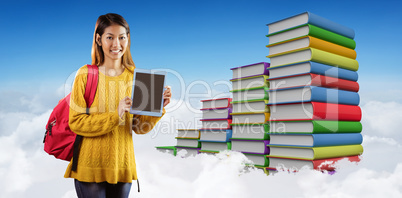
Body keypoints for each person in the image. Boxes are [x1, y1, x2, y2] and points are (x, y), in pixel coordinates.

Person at [64, 13, 171, 198]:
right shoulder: (85, 74)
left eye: (122, 37)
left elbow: (139, 127)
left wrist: (158, 108)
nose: (116, 44)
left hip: (122, 166)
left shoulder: (135, 76)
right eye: (110, 37)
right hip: (90, 167)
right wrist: (116, 114)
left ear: (128, 39)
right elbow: (76, 122)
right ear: (98, 39)